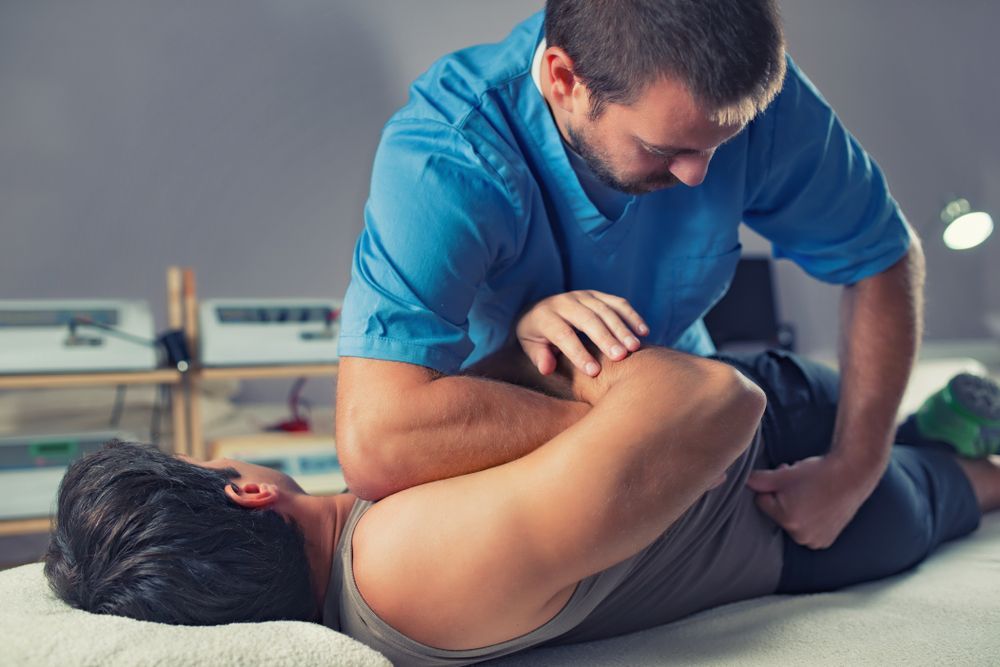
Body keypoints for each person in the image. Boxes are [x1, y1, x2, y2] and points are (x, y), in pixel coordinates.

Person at [335, 0, 927, 556]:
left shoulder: (747, 102)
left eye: (723, 142)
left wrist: (855, 469)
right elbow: (378, 442)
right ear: (565, 80)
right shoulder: (447, 157)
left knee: (889, 513)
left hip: (719, 404)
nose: (699, 177)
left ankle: (965, 452)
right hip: (571, 424)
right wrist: (651, 436)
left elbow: (883, 254)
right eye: (661, 148)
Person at [44, 338, 1000, 664]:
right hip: (803, 503)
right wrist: (592, 380)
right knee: (966, 485)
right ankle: (955, 433)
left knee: (908, 423)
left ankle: (941, 415)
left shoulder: (375, 528)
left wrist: (527, 340)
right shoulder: (398, 563)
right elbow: (716, 402)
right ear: (248, 489)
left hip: (771, 438)